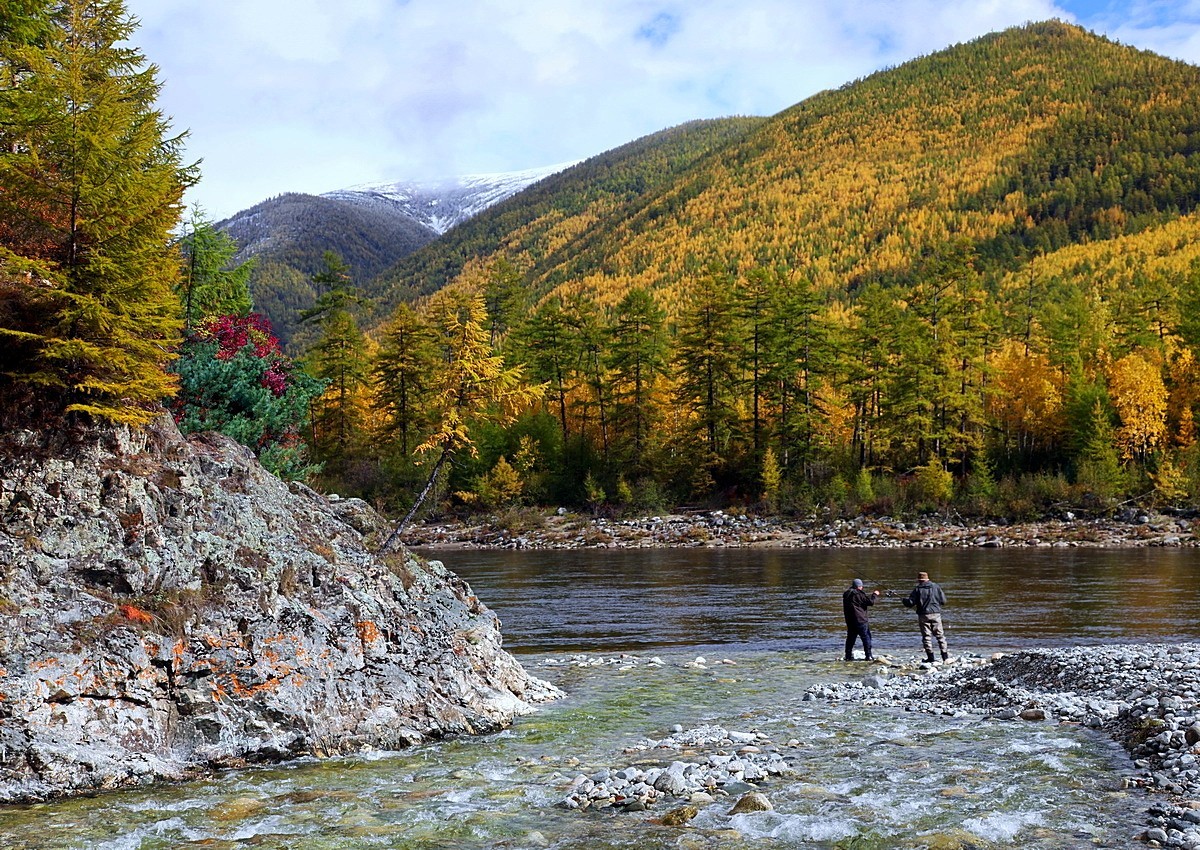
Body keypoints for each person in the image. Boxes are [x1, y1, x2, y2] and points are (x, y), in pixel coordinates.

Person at [903, 570, 949, 663]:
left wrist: (904, 601)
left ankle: (931, 658)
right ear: (928, 579)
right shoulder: (936, 587)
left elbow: (910, 603)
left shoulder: (917, 589)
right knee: (940, 636)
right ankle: (945, 657)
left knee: (927, 636)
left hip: (923, 615)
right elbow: (944, 601)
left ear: (919, 580)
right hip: (936, 614)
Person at [842, 578, 881, 661]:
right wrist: (874, 594)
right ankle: (868, 656)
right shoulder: (859, 594)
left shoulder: (846, 594)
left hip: (850, 621)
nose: (862, 588)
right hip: (860, 620)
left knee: (850, 639)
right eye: (861, 586)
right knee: (866, 637)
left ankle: (848, 656)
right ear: (859, 587)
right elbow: (870, 602)